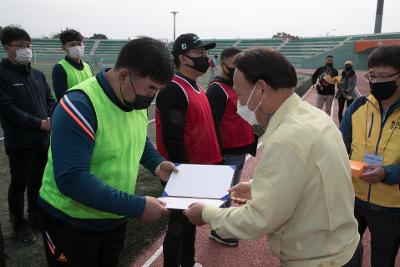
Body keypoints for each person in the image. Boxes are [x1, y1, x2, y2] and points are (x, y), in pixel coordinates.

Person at [185, 48, 361, 267]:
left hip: (319, 259)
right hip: (341, 248)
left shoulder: (286, 138)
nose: (241, 104)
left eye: (240, 94)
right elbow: (306, 176)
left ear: (260, 90)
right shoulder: (312, 115)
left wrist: (207, 214)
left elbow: (259, 219)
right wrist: (257, 185)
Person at [38, 37, 176, 267]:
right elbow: (72, 179)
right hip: (69, 224)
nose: (152, 97)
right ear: (123, 76)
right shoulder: (80, 105)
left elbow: (137, 139)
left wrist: (157, 164)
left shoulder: (133, 97)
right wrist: (137, 206)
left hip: (112, 218)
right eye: (151, 88)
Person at [156, 33, 221, 267]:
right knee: (178, 225)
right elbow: (172, 139)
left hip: (198, 170)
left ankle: (188, 261)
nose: (204, 57)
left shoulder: (195, 87)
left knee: (191, 221)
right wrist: (186, 174)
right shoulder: (174, 89)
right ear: (182, 57)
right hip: (183, 171)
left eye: (205, 52)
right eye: (199, 53)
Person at [340, 45, 400, 267]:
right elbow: (340, 146)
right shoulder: (358, 107)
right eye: (372, 75)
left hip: (391, 207)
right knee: (345, 254)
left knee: (383, 260)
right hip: (353, 198)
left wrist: (387, 173)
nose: (376, 81)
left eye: (384, 76)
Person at [0, 26, 55, 243]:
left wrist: (50, 118)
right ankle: (18, 225)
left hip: (42, 140)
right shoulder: (2, 75)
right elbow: (7, 108)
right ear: (7, 48)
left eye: (28, 45)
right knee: (19, 183)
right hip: (20, 143)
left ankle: (35, 215)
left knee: (38, 181)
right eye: (20, 45)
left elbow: (49, 100)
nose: (26, 49)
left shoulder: (38, 75)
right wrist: (38, 123)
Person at [206, 47, 257, 246]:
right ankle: (219, 230)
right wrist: (217, 155)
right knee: (223, 192)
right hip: (227, 152)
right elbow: (212, 125)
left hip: (239, 149)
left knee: (229, 191)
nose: (239, 67)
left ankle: (222, 226)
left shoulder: (237, 86)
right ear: (223, 64)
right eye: (235, 63)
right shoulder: (217, 89)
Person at [52, 29, 93, 101]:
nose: (77, 47)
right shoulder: (59, 68)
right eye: (72, 44)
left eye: (79, 44)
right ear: (64, 47)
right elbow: (61, 98)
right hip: (70, 110)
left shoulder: (87, 67)